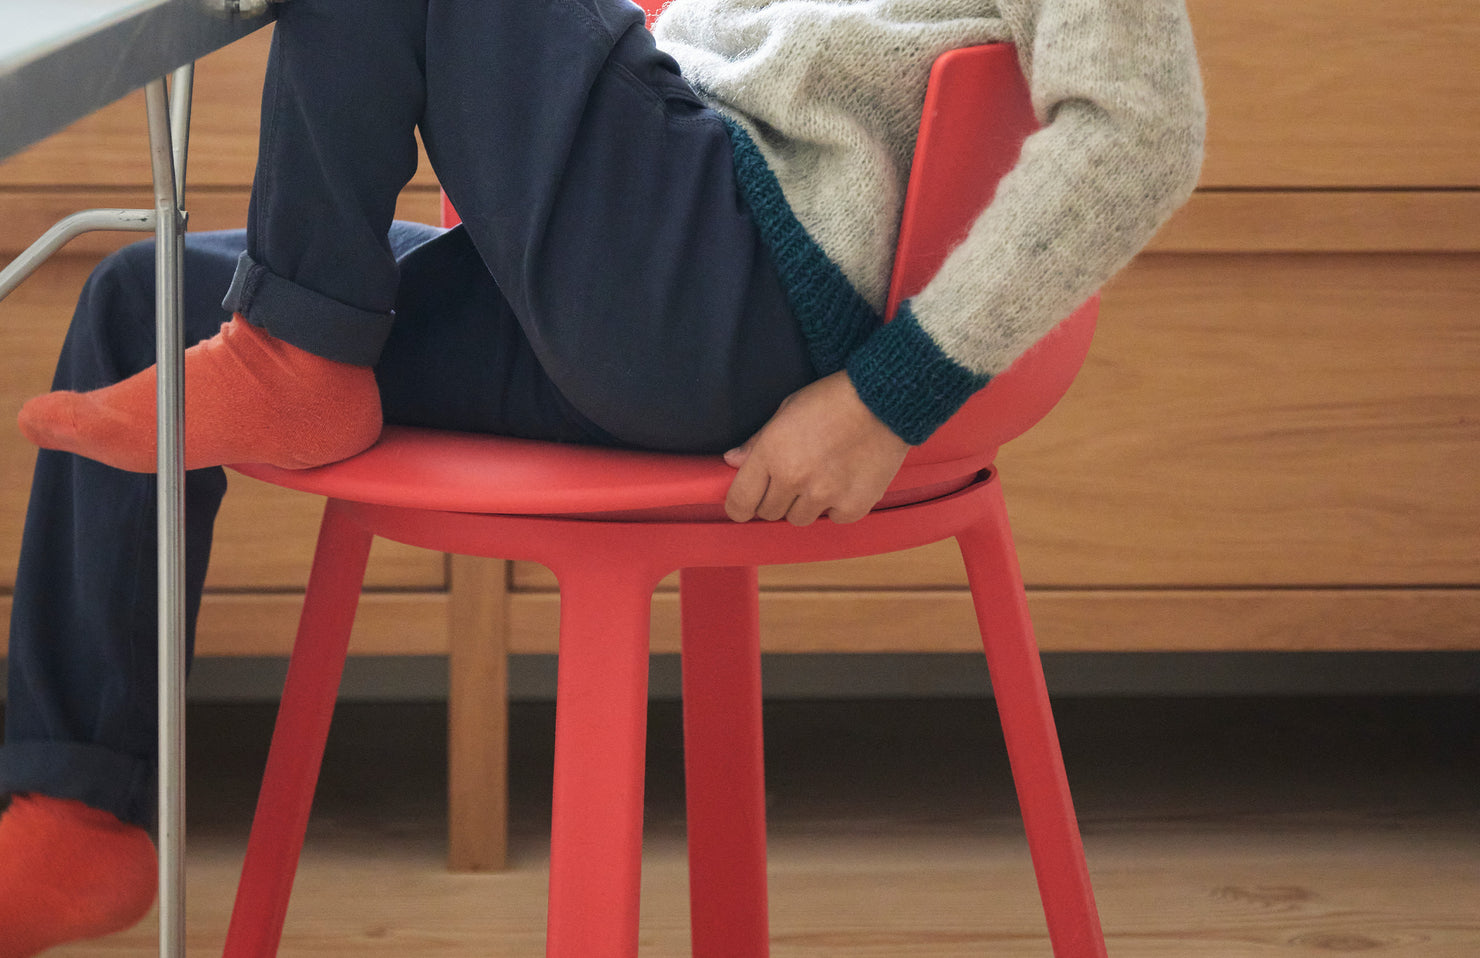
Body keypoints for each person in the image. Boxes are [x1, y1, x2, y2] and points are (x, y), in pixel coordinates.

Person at [0, 0, 1205, 952]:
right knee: (140, 302)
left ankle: (297, 353)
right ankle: (78, 815)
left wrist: (889, 395)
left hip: (730, 282)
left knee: (279, 327)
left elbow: (1142, 129)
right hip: (636, 292)